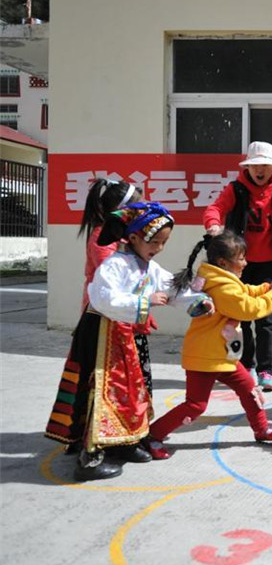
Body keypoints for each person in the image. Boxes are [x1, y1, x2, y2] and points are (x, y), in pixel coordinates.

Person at [45, 202, 213, 481]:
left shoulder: (148, 265)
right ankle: (90, 457)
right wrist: (144, 302)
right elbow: (103, 299)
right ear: (133, 237)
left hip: (126, 336)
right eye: (155, 241)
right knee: (101, 392)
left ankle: (125, 442)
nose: (159, 247)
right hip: (102, 336)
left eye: (164, 242)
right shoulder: (114, 265)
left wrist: (198, 302)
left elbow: (172, 289)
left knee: (133, 391)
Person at [144, 231, 272, 458]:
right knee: (195, 406)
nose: (246, 262)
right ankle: (153, 435)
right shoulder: (221, 287)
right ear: (223, 262)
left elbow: (245, 292)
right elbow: (246, 308)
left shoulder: (221, 279)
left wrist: (265, 288)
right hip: (205, 357)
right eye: (241, 258)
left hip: (223, 357)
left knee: (250, 390)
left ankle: (261, 430)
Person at [203, 141, 272, 392]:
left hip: (269, 265)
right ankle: (245, 365)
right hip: (238, 265)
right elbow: (215, 209)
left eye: (265, 166)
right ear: (247, 168)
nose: (260, 170)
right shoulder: (236, 189)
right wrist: (213, 224)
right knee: (241, 316)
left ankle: (265, 370)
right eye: (255, 166)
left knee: (265, 318)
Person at [77, 178, 156, 418]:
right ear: (123, 211)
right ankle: (97, 440)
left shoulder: (126, 237)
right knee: (107, 380)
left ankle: (133, 431)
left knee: (134, 379)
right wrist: (141, 307)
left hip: (128, 318)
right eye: (138, 207)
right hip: (106, 321)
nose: (143, 211)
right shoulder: (103, 239)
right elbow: (115, 287)